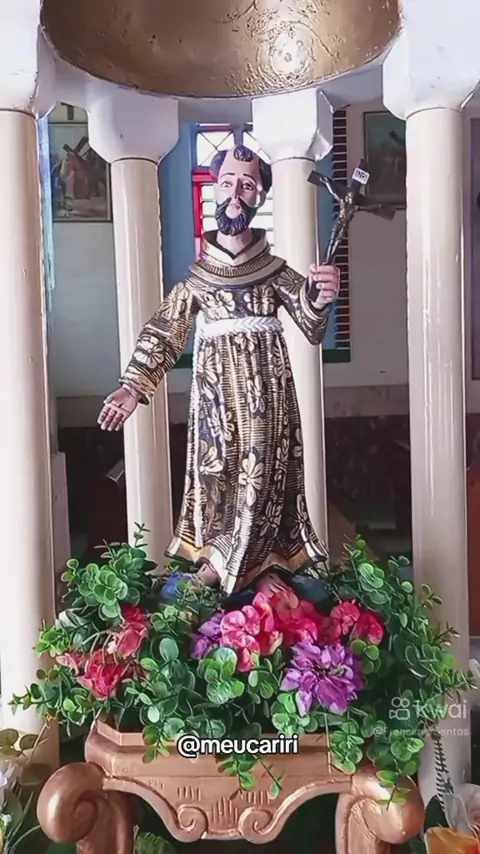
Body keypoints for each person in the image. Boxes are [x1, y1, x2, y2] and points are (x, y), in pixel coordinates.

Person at [98, 145, 340, 598]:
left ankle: (261, 561)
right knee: (217, 474)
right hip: (214, 397)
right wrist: (132, 386)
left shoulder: (275, 271)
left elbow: (310, 324)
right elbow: (165, 331)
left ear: (260, 195)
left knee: (265, 471)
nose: (235, 193)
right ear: (215, 189)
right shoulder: (199, 278)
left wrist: (321, 295)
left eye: (247, 185)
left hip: (266, 397)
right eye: (227, 182)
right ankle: (217, 559)